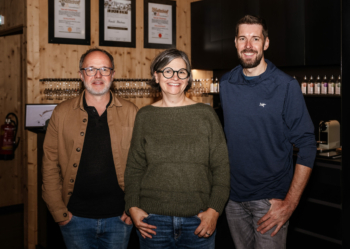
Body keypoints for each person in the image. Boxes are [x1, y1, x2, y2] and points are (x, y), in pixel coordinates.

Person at [220, 15, 316, 249]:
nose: (248, 45)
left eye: (255, 38)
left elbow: (307, 145)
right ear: (235, 42)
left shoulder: (285, 86)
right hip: (232, 199)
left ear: (266, 43)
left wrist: (290, 203)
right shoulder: (226, 83)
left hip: (270, 201)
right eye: (242, 38)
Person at [124, 49, 230, 249]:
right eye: (168, 71)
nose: (175, 77)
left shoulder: (206, 115)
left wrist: (214, 211)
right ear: (156, 75)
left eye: (181, 72)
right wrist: (132, 207)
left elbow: (222, 168)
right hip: (153, 223)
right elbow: (134, 167)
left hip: (199, 221)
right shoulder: (144, 116)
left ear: (188, 78)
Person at [42, 48, 138, 249]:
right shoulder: (61, 113)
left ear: (113, 74)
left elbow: (142, 165)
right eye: (91, 69)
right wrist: (58, 212)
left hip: (120, 218)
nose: (98, 75)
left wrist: (132, 209)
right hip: (74, 217)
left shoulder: (132, 112)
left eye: (104, 69)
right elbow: (49, 166)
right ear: (81, 75)